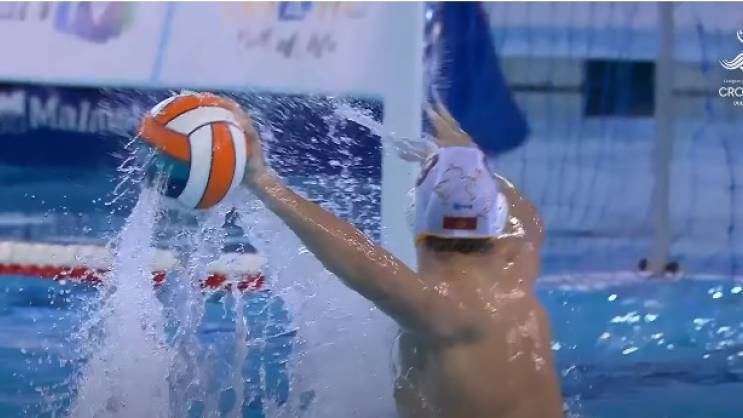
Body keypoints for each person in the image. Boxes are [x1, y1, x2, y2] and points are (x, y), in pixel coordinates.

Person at [229, 100, 564, 418]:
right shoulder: (517, 256)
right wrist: (465, 158)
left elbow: (364, 262)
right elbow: (525, 215)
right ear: (495, 219)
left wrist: (264, 181)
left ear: (417, 218)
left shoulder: (445, 308)